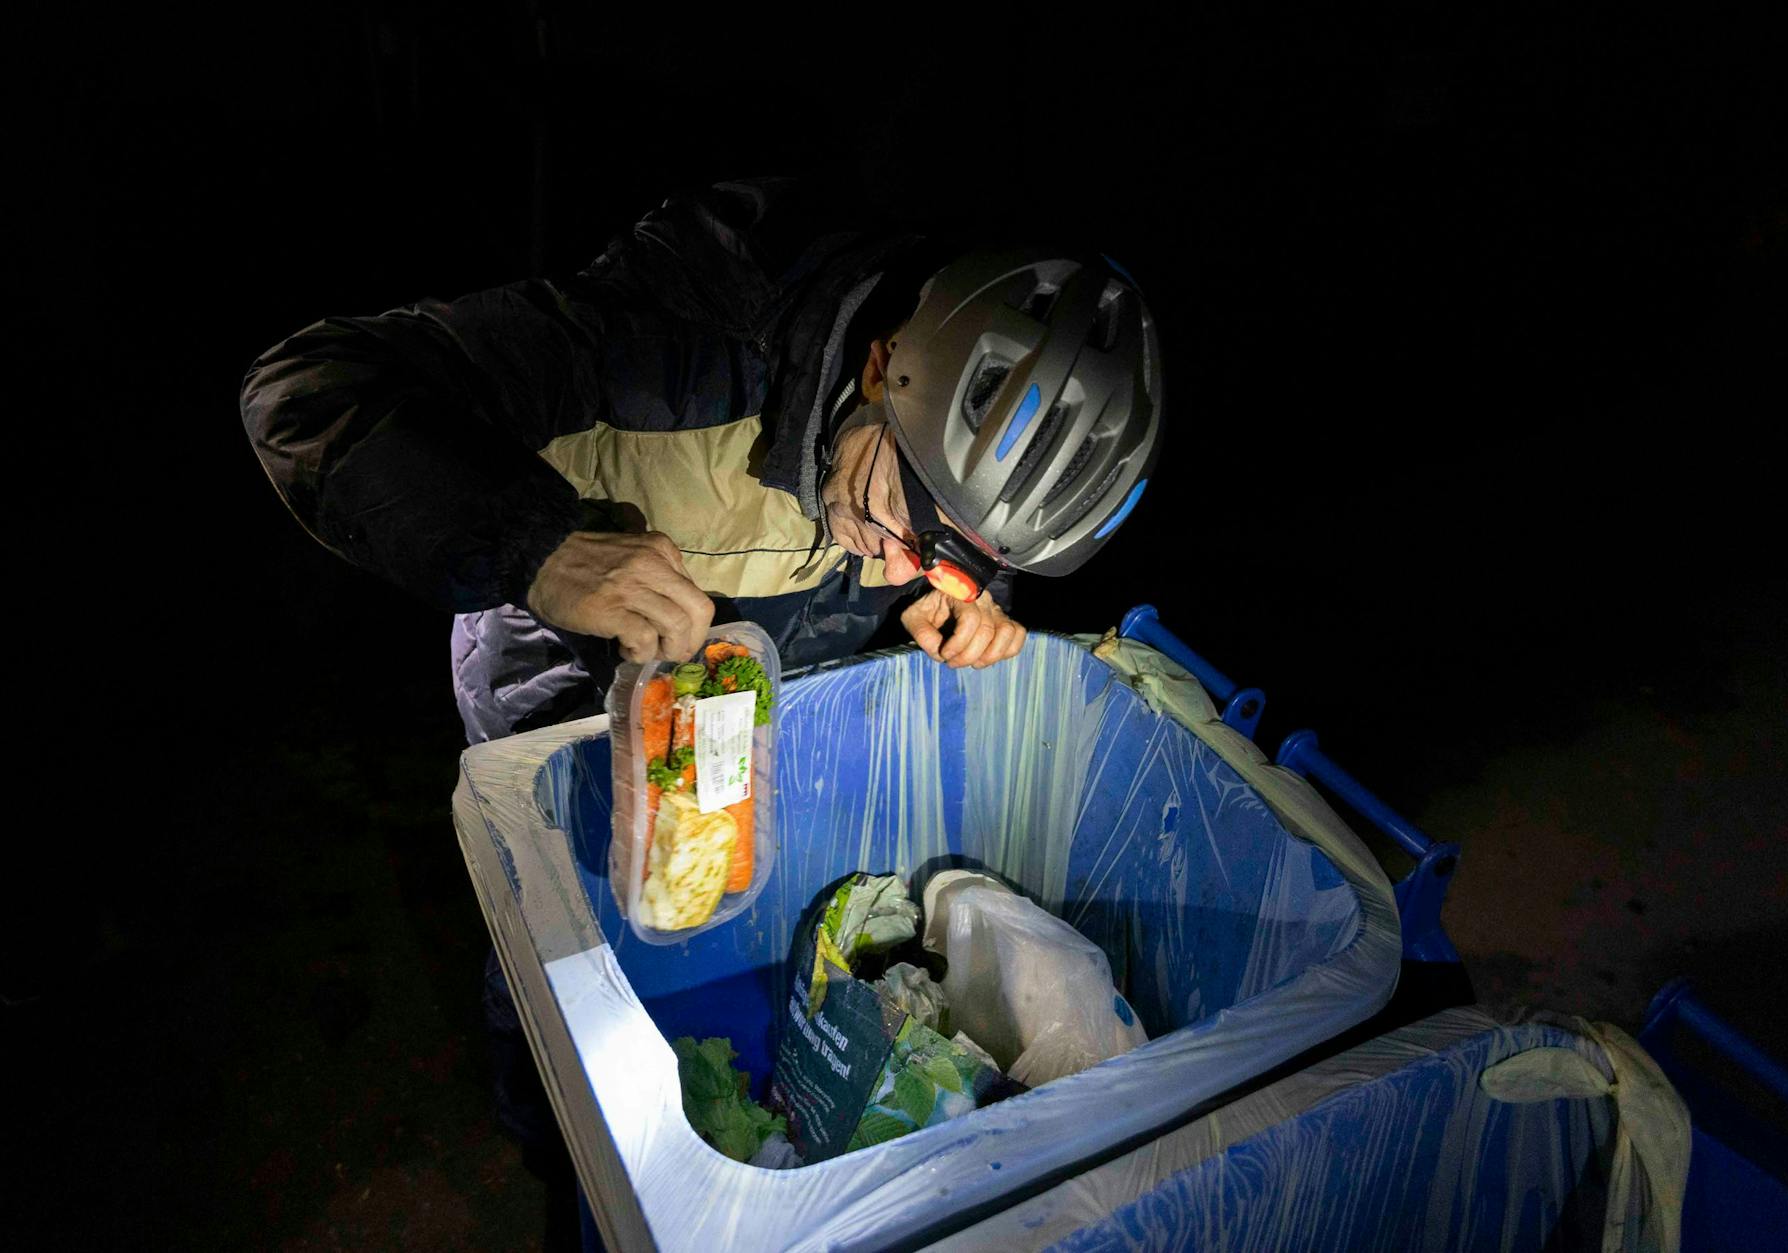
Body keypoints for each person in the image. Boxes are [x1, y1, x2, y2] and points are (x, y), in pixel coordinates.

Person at [238, 176, 1164, 1224]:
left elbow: (941, 545)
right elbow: (305, 389)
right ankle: (553, 1147)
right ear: (877, 368)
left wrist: (972, 604)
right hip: (565, 670)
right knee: (569, 927)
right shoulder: (680, 335)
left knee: (714, 904)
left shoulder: (920, 480)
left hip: (741, 709)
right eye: (900, 521)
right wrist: (537, 547)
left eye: (952, 554)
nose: (903, 564)